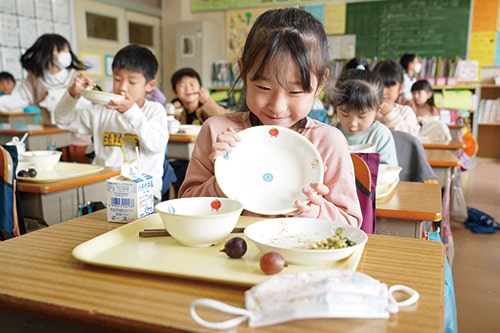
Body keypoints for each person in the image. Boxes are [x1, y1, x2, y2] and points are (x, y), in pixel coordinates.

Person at [178, 8, 362, 227]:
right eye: (264, 87)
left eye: (295, 92)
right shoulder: (217, 131)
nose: (277, 106)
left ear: (320, 83)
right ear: (244, 74)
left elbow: (351, 224)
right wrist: (221, 182)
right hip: (227, 255)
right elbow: (184, 208)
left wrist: (314, 210)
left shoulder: (328, 142)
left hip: (299, 256)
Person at [54, 44, 168, 201]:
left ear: (149, 85)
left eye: (132, 82)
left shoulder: (154, 111)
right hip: (102, 191)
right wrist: (72, 94)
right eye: (117, 79)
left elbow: (155, 145)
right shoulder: (102, 109)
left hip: (142, 194)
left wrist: (130, 111)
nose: (122, 87)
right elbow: (62, 120)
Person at [0, 34, 92, 162]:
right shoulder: (35, 78)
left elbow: (87, 105)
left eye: (67, 51)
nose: (66, 55)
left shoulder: (76, 77)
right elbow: (19, 98)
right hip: (50, 136)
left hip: (77, 138)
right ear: (48, 54)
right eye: (61, 51)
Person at [329, 68, 398, 166]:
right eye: (345, 114)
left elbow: (389, 173)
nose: (353, 123)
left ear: (378, 109)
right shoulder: (331, 133)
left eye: (362, 116)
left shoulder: (380, 136)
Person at [373, 59, 420, 137]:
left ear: (400, 88)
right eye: (379, 85)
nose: (384, 91)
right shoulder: (368, 111)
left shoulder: (405, 112)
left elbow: (410, 138)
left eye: (389, 86)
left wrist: (389, 114)